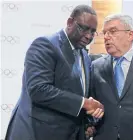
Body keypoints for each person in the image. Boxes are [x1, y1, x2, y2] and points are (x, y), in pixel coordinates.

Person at [5, 5, 104, 140]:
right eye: (83, 28)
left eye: (93, 32)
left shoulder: (84, 56)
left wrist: (88, 122)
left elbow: (75, 93)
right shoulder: (45, 45)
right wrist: (85, 103)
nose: (88, 36)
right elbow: (38, 89)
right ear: (70, 23)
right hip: (36, 132)